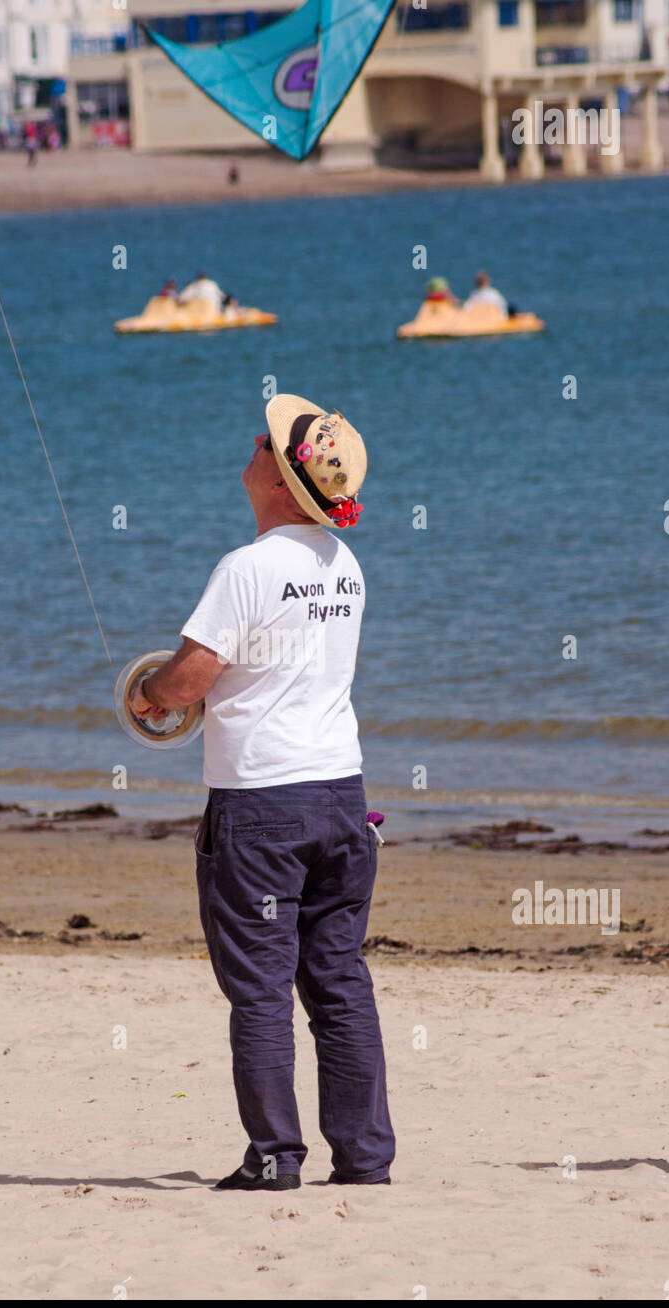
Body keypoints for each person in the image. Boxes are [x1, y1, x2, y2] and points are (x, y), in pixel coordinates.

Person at [128, 394, 396, 1191]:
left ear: (281, 478)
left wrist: (147, 701)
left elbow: (188, 680)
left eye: (266, 443)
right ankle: (365, 1160)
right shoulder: (343, 565)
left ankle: (276, 1159)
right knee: (340, 981)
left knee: (261, 992)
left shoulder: (245, 568)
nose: (254, 443)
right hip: (342, 798)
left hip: (261, 809)